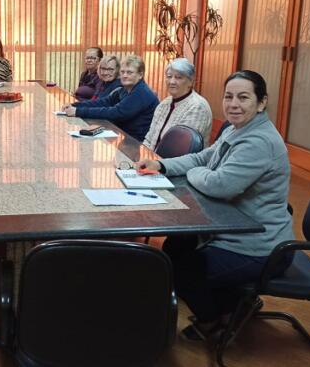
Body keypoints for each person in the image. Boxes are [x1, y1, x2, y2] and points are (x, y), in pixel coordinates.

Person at [135, 70, 294, 341]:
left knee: (181, 271)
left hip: (258, 245)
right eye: (229, 96)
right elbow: (202, 157)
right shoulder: (236, 129)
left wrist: (194, 175)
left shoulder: (259, 141)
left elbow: (219, 184)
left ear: (261, 102)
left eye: (243, 97)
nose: (234, 104)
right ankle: (233, 304)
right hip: (231, 228)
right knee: (175, 247)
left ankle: (215, 324)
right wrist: (161, 165)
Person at [63, 55, 159, 142]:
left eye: (129, 72)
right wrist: (74, 105)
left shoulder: (140, 92)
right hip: (124, 137)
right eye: (122, 72)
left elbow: (115, 112)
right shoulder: (126, 88)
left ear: (140, 75)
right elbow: (104, 102)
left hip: (137, 144)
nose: (125, 75)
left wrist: (78, 111)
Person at [142, 58, 213, 151]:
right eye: (169, 76)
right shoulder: (164, 104)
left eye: (178, 77)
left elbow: (180, 150)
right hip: (152, 161)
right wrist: (142, 156)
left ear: (191, 81)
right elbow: (149, 139)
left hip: (178, 164)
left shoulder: (197, 107)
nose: (172, 81)